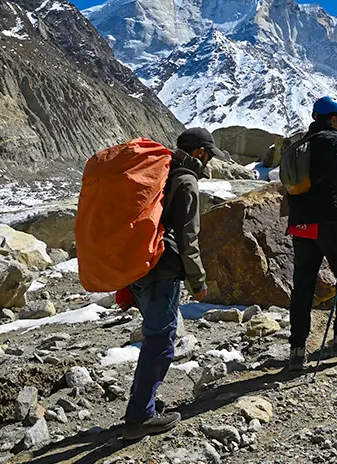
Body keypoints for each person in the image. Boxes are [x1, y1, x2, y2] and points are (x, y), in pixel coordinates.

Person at [122, 128, 224, 440]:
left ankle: (144, 404)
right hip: (161, 272)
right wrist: (199, 282)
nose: (208, 163)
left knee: (154, 336)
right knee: (161, 342)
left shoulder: (164, 175)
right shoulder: (187, 182)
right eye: (208, 156)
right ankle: (140, 416)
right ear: (201, 153)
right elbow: (188, 240)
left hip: (139, 267)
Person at [285, 96, 337, 371]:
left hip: (300, 223)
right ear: (333, 119)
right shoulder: (334, 141)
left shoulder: (300, 143)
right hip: (327, 221)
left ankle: (297, 350)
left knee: (303, 285)